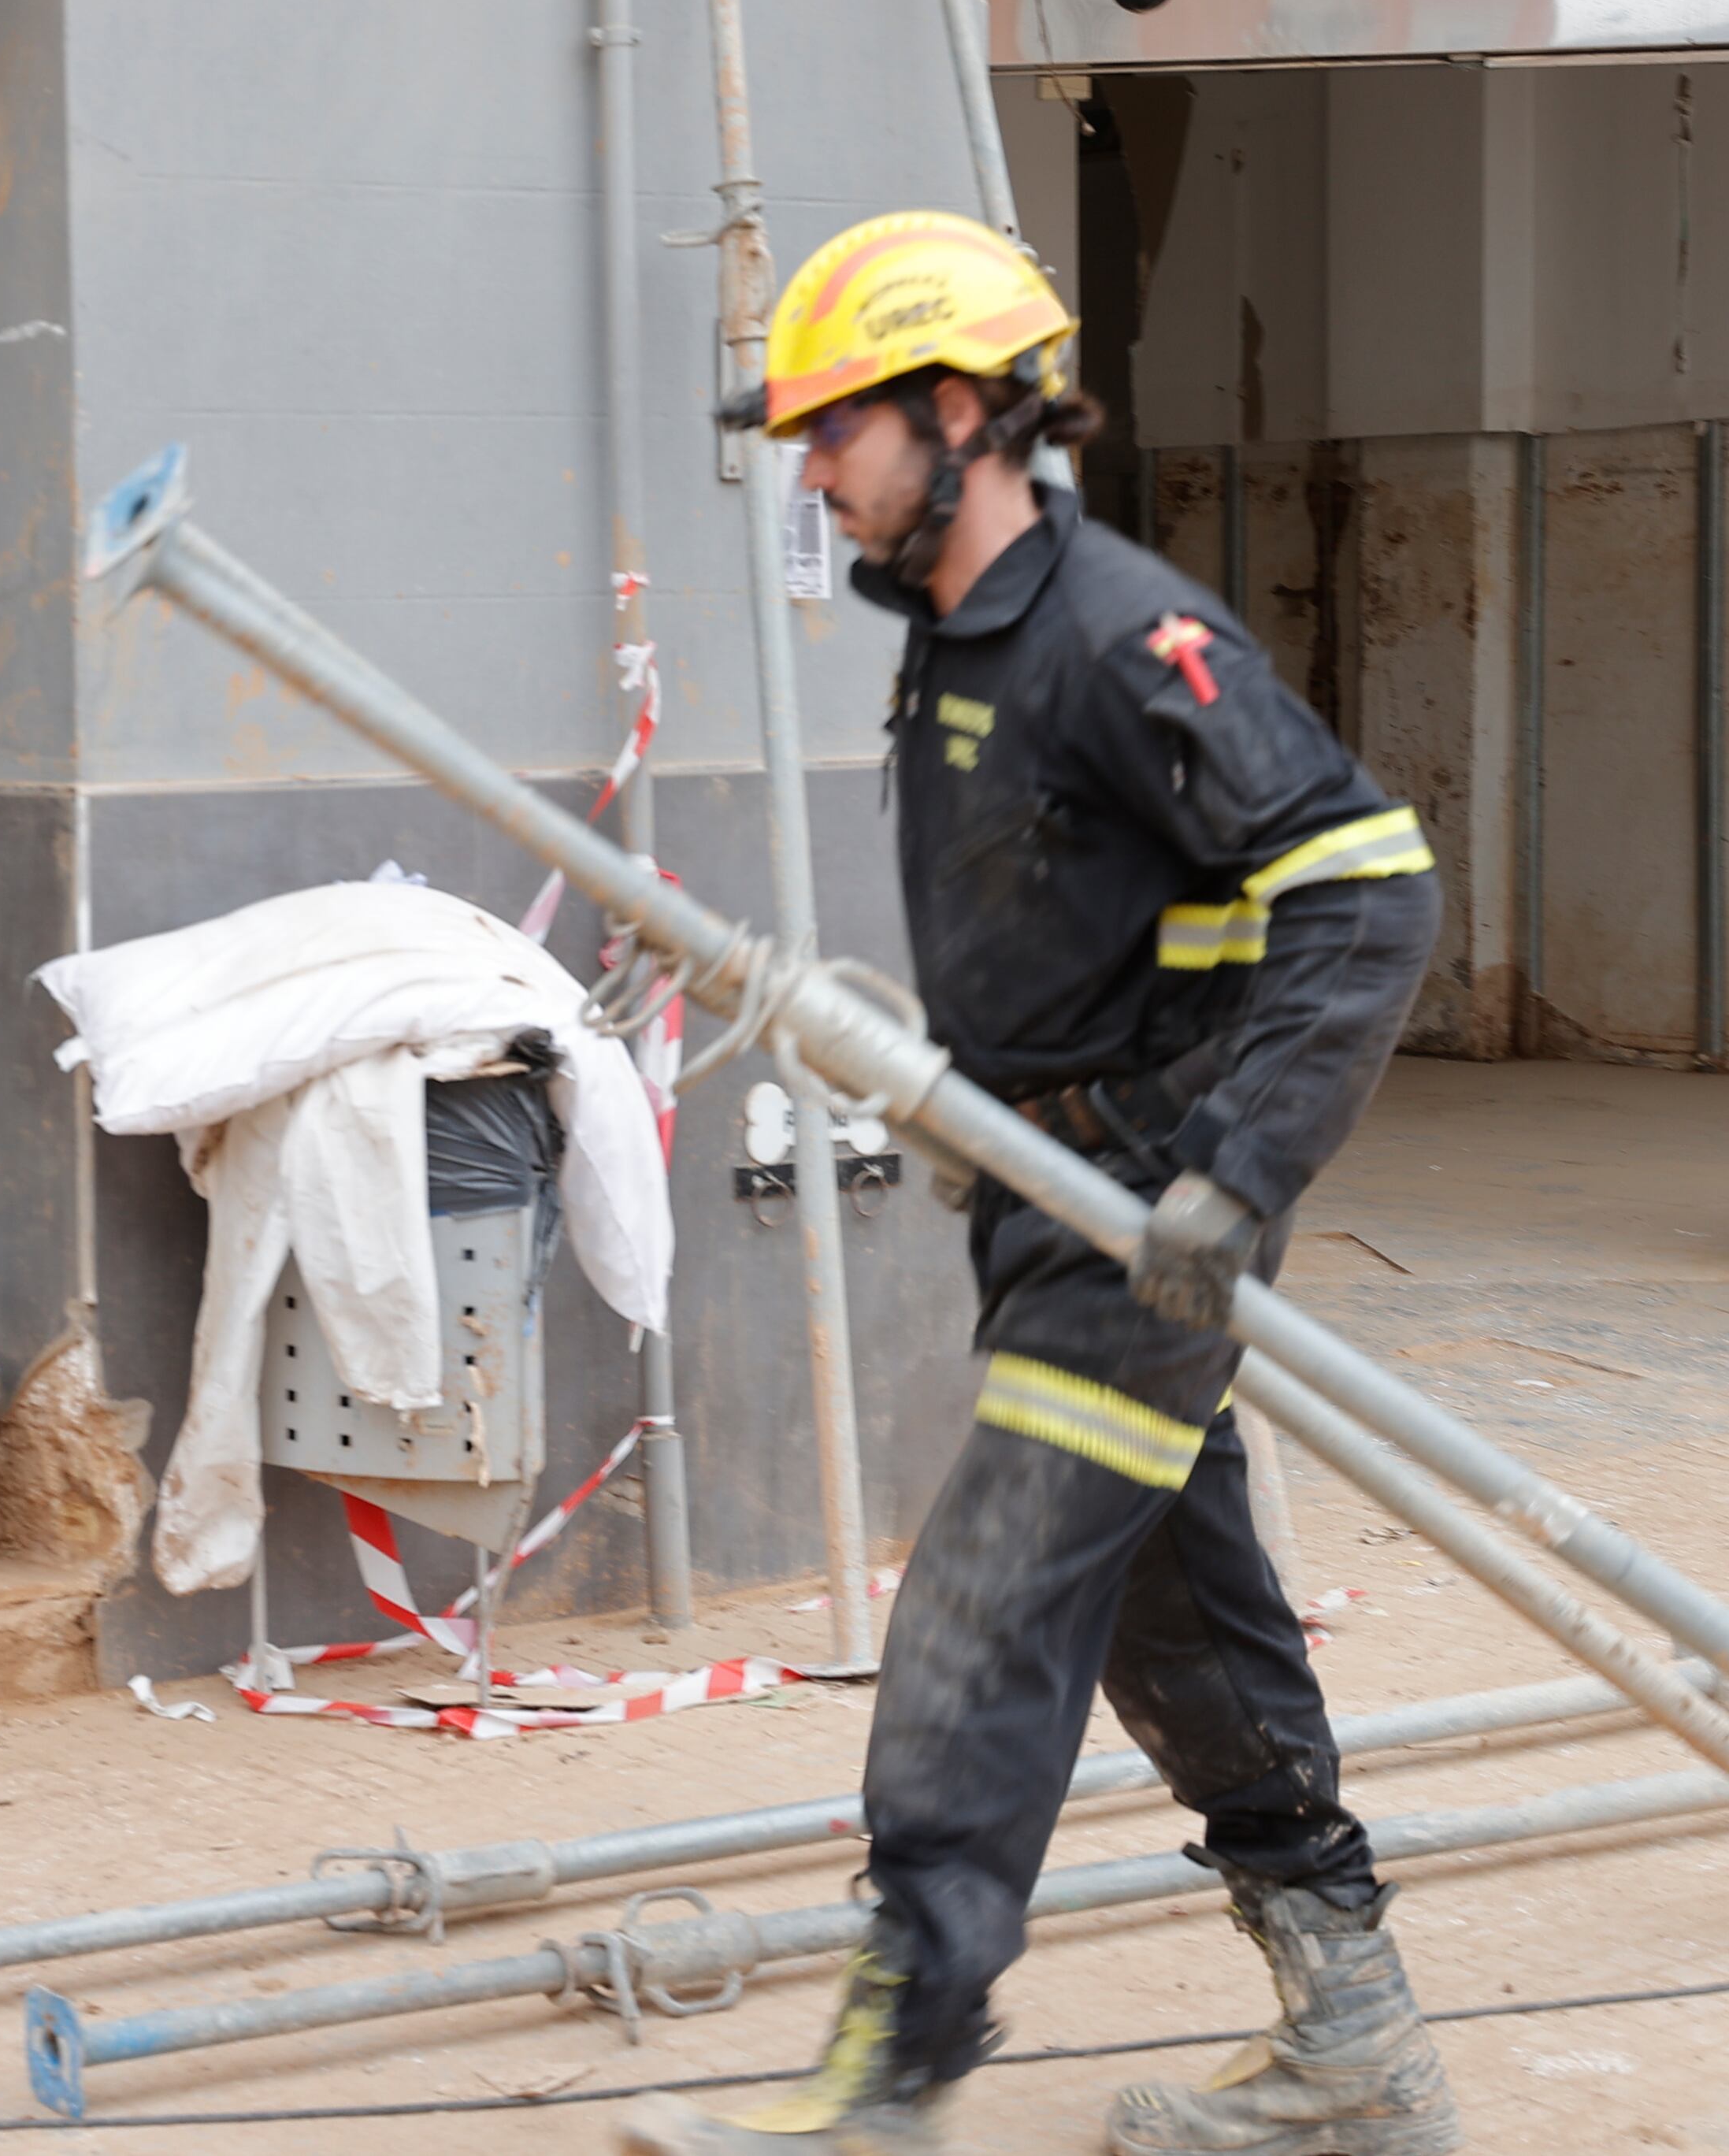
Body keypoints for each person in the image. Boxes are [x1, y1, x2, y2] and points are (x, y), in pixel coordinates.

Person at [617, 214, 1456, 2156]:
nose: (809, 475)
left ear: (958, 413)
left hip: (1144, 1208)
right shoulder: (962, 636)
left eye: (834, 431)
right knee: (1177, 1609)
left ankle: (888, 2076)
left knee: (983, 1602)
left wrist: (1232, 1177)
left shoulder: (1116, 635)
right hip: (1049, 1193)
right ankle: (1353, 2035)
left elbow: (1365, 889)